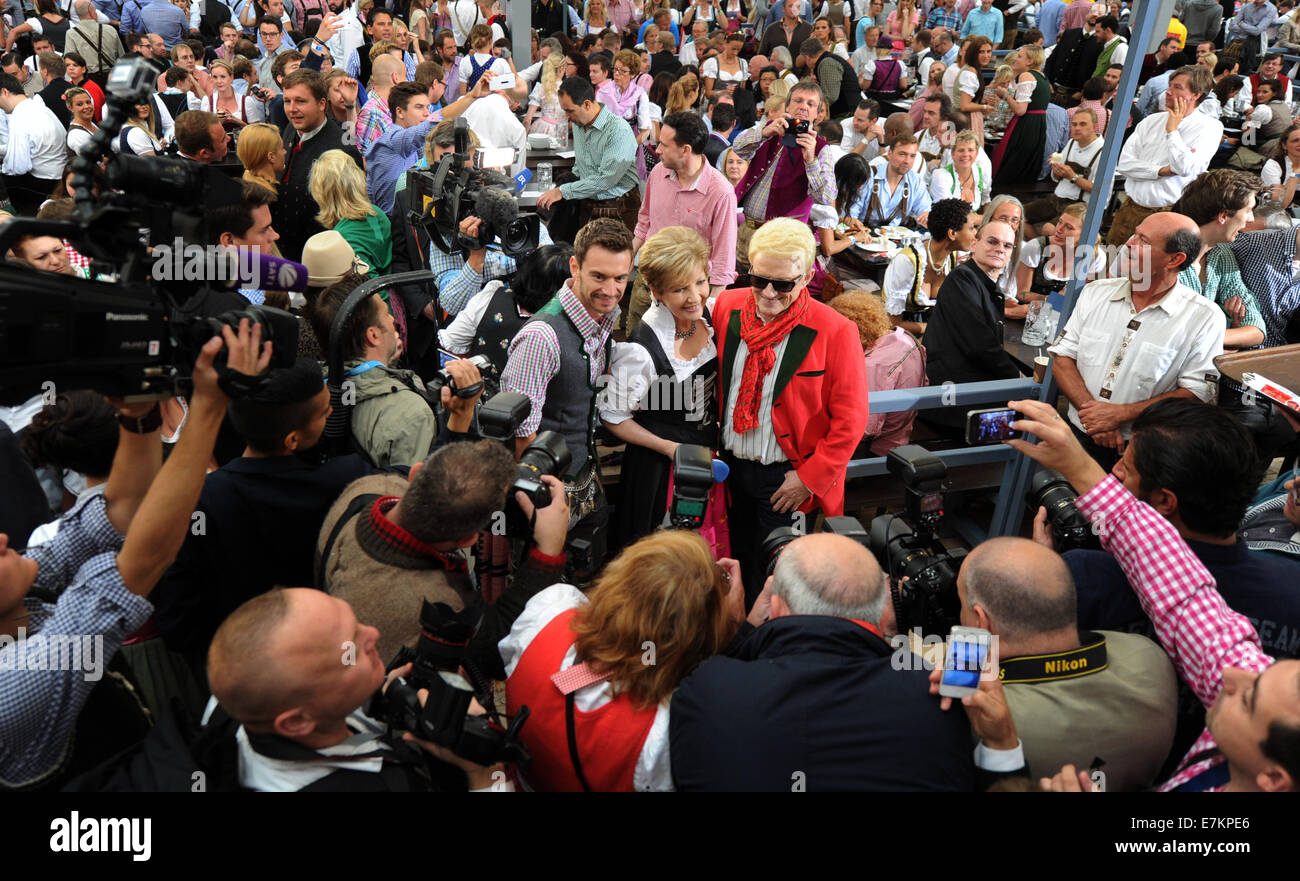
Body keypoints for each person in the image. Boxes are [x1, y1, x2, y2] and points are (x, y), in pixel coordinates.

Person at [0, 321, 263, 789]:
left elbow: (121, 511)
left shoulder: (28, 579)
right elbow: (144, 557)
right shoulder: (12, 686)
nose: (2, 540)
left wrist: (140, 410)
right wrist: (208, 407)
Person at [1006, 396, 1300, 792]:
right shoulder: (1291, 589)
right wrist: (1078, 466)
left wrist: (1040, 585)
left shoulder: (1086, 575)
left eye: (1249, 698)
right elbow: (1182, 596)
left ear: (1274, 778)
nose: (1231, 674)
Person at [670, 532, 983, 790]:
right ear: (885, 615)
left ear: (775, 609)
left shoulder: (706, 690)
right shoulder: (944, 693)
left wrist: (742, 628)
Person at [151, 357, 383, 664]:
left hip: (241, 664)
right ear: (292, 439)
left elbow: (178, 622)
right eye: (325, 412)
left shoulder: (202, 502)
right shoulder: (347, 479)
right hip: (328, 654)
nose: (331, 416)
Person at [711, 217, 868, 600]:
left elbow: (851, 420)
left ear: (805, 277)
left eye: (782, 284)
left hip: (787, 480)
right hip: (730, 471)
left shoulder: (835, 330)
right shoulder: (727, 307)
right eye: (758, 278)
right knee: (735, 564)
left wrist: (809, 478)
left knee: (781, 578)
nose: (767, 293)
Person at [956, 534, 1179, 792]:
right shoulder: (1150, 660)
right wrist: (1036, 576)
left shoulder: (978, 717)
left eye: (961, 604)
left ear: (981, 622)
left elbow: (959, 669)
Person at [1049, 212, 1223, 471]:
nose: (1129, 244)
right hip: (1077, 435)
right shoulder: (1096, 293)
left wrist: (1120, 415)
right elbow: (1062, 358)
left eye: (1143, 240)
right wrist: (1097, 419)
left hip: (1143, 455)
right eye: (1134, 234)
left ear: (1175, 259)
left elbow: (1197, 393)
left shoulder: (1204, 318)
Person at [501, 217, 631, 553]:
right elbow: (521, 438)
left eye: (621, 278)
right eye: (598, 276)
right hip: (548, 499)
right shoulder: (540, 337)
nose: (611, 290)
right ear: (575, 266)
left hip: (587, 481)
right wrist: (543, 510)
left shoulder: (601, 318)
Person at [602, 227, 719, 549]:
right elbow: (613, 418)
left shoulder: (706, 316)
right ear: (656, 291)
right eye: (679, 289)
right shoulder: (641, 347)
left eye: (700, 282)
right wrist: (669, 448)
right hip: (659, 468)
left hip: (703, 456)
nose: (695, 297)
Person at [628, 111, 738, 332]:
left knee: (675, 359)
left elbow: (723, 263)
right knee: (634, 344)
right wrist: (628, 258)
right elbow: (645, 220)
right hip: (647, 281)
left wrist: (706, 312)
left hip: (687, 294)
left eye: (664, 145)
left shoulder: (721, 192)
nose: (657, 150)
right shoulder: (658, 173)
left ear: (685, 150)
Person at [309, 283, 431, 467]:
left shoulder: (308, 394)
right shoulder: (412, 413)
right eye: (386, 313)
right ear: (373, 336)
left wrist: (386, 363)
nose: (393, 320)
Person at [922, 219, 1024, 430]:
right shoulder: (962, 279)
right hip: (949, 399)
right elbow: (979, 345)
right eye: (992, 242)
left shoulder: (979, 281)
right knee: (1025, 416)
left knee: (1029, 414)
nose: (999, 249)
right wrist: (1018, 378)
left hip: (969, 385)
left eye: (1007, 246)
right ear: (974, 245)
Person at [1108, 66, 1222, 246]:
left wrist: (1172, 130)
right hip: (1129, 208)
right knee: (1112, 265)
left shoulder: (1210, 127)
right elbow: (1124, 164)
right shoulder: (1150, 121)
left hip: (1168, 215)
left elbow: (1183, 168)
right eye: (1169, 86)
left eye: (1177, 87)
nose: (1168, 92)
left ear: (1196, 95)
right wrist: (1160, 171)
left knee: (1146, 271)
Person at [1170, 169, 1268, 352]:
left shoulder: (1221, 254)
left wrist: (1213, 337)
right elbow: (1172, 334)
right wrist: (1230, 336)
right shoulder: (1168, 255)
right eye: (1248, 211)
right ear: (1223, 216)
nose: (1251, 219)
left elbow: (1256, 329)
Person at [272, 68, 364, 262]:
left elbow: (346, 221)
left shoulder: (342, 152)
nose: (292, 109)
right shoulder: (291, 128)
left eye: (301, 101)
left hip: (315, 262)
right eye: (287, 101)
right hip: (283, 252)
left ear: (322, 104)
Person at [535, 77, 641, 238]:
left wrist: (563, 191)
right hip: (588, 201)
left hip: (617, 205)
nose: (567, 117)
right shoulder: (580, 125)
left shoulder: (618, 130)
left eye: (570, 111)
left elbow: (605, 180)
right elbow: (581, 165)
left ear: (586, 104)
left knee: (609, 259)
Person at [828, 290, 926, 457]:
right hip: (903, 434)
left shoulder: (873, 365)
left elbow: (866, 429)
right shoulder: (905, 339)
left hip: (876, 453)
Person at [882, 197, 977, 335]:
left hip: (935, 327)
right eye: (971, 228)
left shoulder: (954, 257)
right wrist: (936, 329)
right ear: (952, 234)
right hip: (901, 335)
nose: (975, 233)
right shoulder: (907, 262)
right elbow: (891, 324)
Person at [309, 148, 391, 280]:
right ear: (357, 177)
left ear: (321, 192)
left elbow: (371, 287)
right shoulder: (377, 213)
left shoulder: (342, 239)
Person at [1024, 108, 1102, 229]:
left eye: (1083, 124)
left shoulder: (1103, 152)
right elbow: (1057, 178)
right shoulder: (1072, 142)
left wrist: (1073, 177)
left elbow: (1100, 190)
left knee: (1048, 229)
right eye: (1074, 124)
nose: (1077, 128)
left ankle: (1045, 243)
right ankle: (1038, 245)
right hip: (1056, 198)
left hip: (1079, 207)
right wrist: (1056, 171)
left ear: (1095, 127)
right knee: (1018, 215)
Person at [0, 72, 66, 215]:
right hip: (59, 173)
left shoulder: (20, 117)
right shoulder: (37, 107)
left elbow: (18, 167)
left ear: (4, 91)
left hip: (46, 182)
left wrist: (4, 167)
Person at [991, 44, 1048, 184]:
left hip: (1026, 126)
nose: (1015, 58)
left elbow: (1020, 110)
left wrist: (1005, 95)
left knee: (1011, 166)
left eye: (1020, 56)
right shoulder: (1042, 77)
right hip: (1038, 126)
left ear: (1030, 61)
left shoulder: (1026, 75)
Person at [853, 132, 930, 229]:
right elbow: (851, 215)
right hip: (865, 236)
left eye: (912, 156)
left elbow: (925, 210)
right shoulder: (869, 176)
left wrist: (926, 216)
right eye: (902, 154)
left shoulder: (915, 181)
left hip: (899, 238)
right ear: (889, 154)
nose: (907, 161)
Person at [928, 128, 988, 212]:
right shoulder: (941, 176)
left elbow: (987, 201)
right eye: (961, 150)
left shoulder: (979, 171)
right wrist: (981, 219)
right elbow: (948, 214)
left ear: (976, 153)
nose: (966, 154)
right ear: (953, 154)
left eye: (970, 150)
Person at [1261, 121, 1300, 214]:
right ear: (1284, 145)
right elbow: (1278, 205)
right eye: (1295, 140)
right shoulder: (1273, 166)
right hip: (1276, 215)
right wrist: (1296, 172)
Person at [63, 87, 99, 152]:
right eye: (80, 104)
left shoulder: (91, 124)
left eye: (88, 102)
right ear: (70, 108)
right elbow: (95, 159)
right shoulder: (76, 134)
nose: (86, 106)